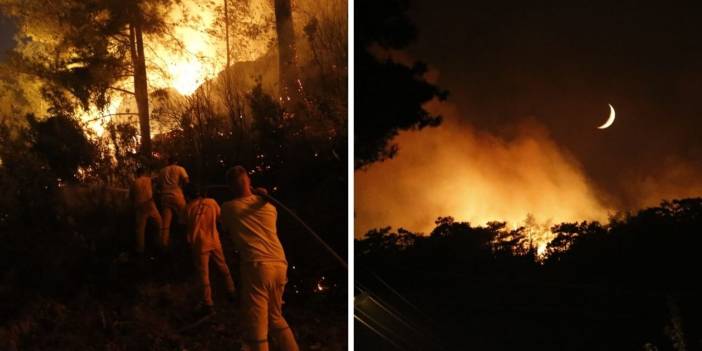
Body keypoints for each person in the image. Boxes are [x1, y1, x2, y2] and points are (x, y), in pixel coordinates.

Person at [221, 166, 299, 351]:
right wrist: (260, 195)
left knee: (257, 326)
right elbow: (253, 206)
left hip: (257, 266)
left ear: (230, 187)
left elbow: (225, 230)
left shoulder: (228, 208)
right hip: (280, 264)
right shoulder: (270, 207)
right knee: (275, 316)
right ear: (249, 180)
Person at [184, 183, 236, 316]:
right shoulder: (212, 202)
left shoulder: (188, 208)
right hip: (214, 240)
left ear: (188, 196)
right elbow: (220, 218)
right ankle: (231, 291)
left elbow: (184, 223)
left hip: (200, 244)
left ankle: (208, 303)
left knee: (204, 274)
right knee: (223, 265)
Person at [130, 166, 162, 255]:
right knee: (159, 223)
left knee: (140, 229)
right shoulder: (148, 179)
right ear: (144, 173)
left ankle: (140, 249)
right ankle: (160, 242)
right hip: (150, 204)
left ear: (137, 174)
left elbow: (131, 196)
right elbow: (156, 181)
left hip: (140, 206)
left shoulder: (134, 182)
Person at [158, 157, 189, 248]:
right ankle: (188, 240)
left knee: (166, 223)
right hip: (177, 195)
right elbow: (186, 180)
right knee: (185, 218)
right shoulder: (180, 168)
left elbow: (159, 185)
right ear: (176, 161)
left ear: (168, 161)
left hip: (164, 197)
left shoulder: (162, 171)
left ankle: (164, 243)